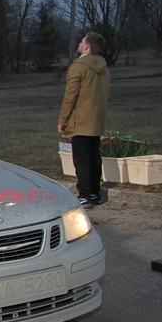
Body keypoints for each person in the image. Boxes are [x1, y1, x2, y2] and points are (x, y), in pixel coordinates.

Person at [57, 31, 110, 208]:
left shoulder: (78, 67)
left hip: (80, 119)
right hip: (96, 119)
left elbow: (70, 95)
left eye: (81, 42)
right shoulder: (103, 68)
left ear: (87, 46)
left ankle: (85, 194)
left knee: (82, 159)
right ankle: (95, 193)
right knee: (94, 157)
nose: (79, 44)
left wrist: (63, 120)